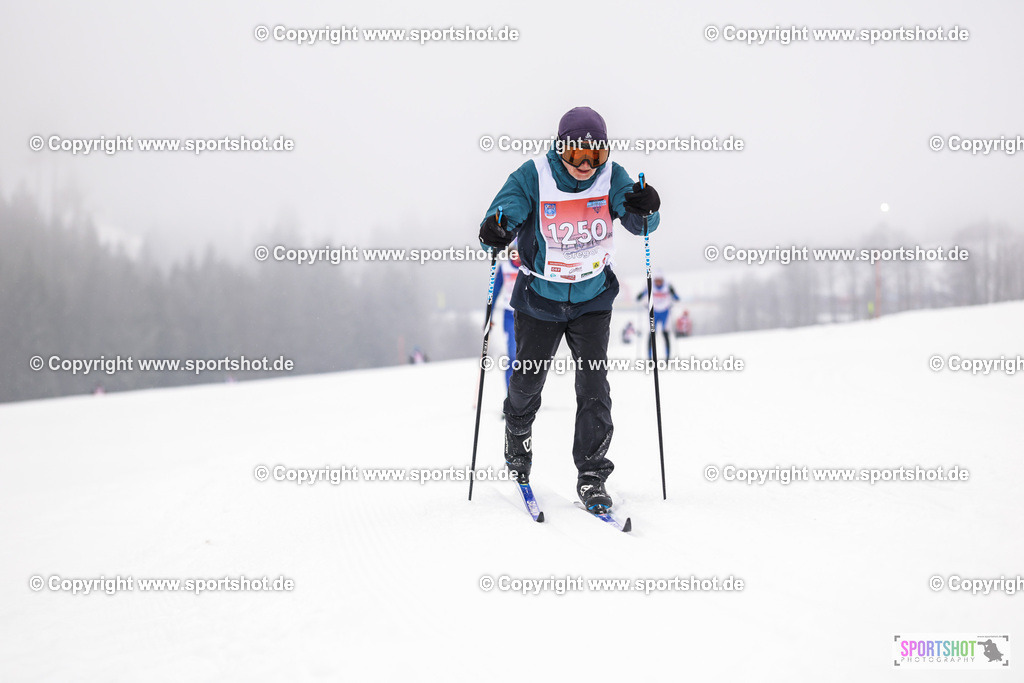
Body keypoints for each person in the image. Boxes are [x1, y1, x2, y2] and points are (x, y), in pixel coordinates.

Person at [478, 106, 661, 512]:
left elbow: (640, 222)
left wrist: (646, 207)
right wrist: (498, 227)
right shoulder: (533, 175)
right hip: (539, 302)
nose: (584, 164)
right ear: (559, 147)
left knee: (594, 389)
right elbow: (501, 217)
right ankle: (517, 438)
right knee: (526, 386)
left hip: (592, 302)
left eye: (594, 155)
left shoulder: (612, 176)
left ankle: (592, 476)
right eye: (576, 152)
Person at [491, 242, 521, 391]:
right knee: (513, 356)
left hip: (529, 315)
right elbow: (494, 293)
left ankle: (527, 400)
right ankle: (511, 398)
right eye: (515, 251)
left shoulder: (530, 266)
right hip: (510, 314)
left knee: (530, 358)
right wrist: (488, 316)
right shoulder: (505, 267)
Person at [636, 270, 679, 357]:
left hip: (665, 313)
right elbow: (640, 296)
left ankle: (667, 357)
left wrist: (673, 292)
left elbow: (676, 298)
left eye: (660, 280)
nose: (658, 282)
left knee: (665, 333)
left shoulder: (667, 286)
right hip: (653, 313)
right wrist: (640, 295)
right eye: (657, 280)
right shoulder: (650, 285)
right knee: (652, 334)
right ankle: (650, 357)